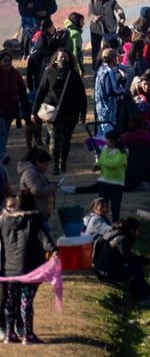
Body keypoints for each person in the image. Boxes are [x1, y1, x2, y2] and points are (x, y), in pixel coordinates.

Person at [0, 190, 57, 344]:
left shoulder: (3, 221)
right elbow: (44, 238)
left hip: (9, 269)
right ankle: (28, 334)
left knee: (11, 300)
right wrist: (54, 251)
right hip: (29, 269)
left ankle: (9, 334)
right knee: (26, 301)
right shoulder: (34, 220)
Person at [33, 48, 86, 174]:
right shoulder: (49, 72)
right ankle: (54, 166)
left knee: (66, 140)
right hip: (52, 113)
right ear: (55, 59)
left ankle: (63, 164)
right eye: (61, 57)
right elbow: (41, 92)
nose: (63, 59)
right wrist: (34, 111)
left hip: (71, 113)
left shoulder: (73, 74)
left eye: (66, 57)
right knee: (55, 139)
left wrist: (83, 113)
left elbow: (81, 95)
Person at [87, 0, 126, 65]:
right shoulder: (92, 1)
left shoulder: (110, 0)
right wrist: (95, 18)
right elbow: (90, 14)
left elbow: (118, 8)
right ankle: (96, 66)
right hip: (95, 29)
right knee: (95, 49)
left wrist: (120, 13)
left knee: (110, 48)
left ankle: (111, 64)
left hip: (109, 28)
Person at [0, 52, 29, 156]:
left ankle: (2, 150)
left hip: (11, 109)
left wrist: (19, 97)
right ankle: (2, 154)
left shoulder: (15, 74)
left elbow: (22, 90)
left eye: (9, 61)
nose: (7, 63)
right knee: (2, 130)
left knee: (6, 131)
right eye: (5, 61)